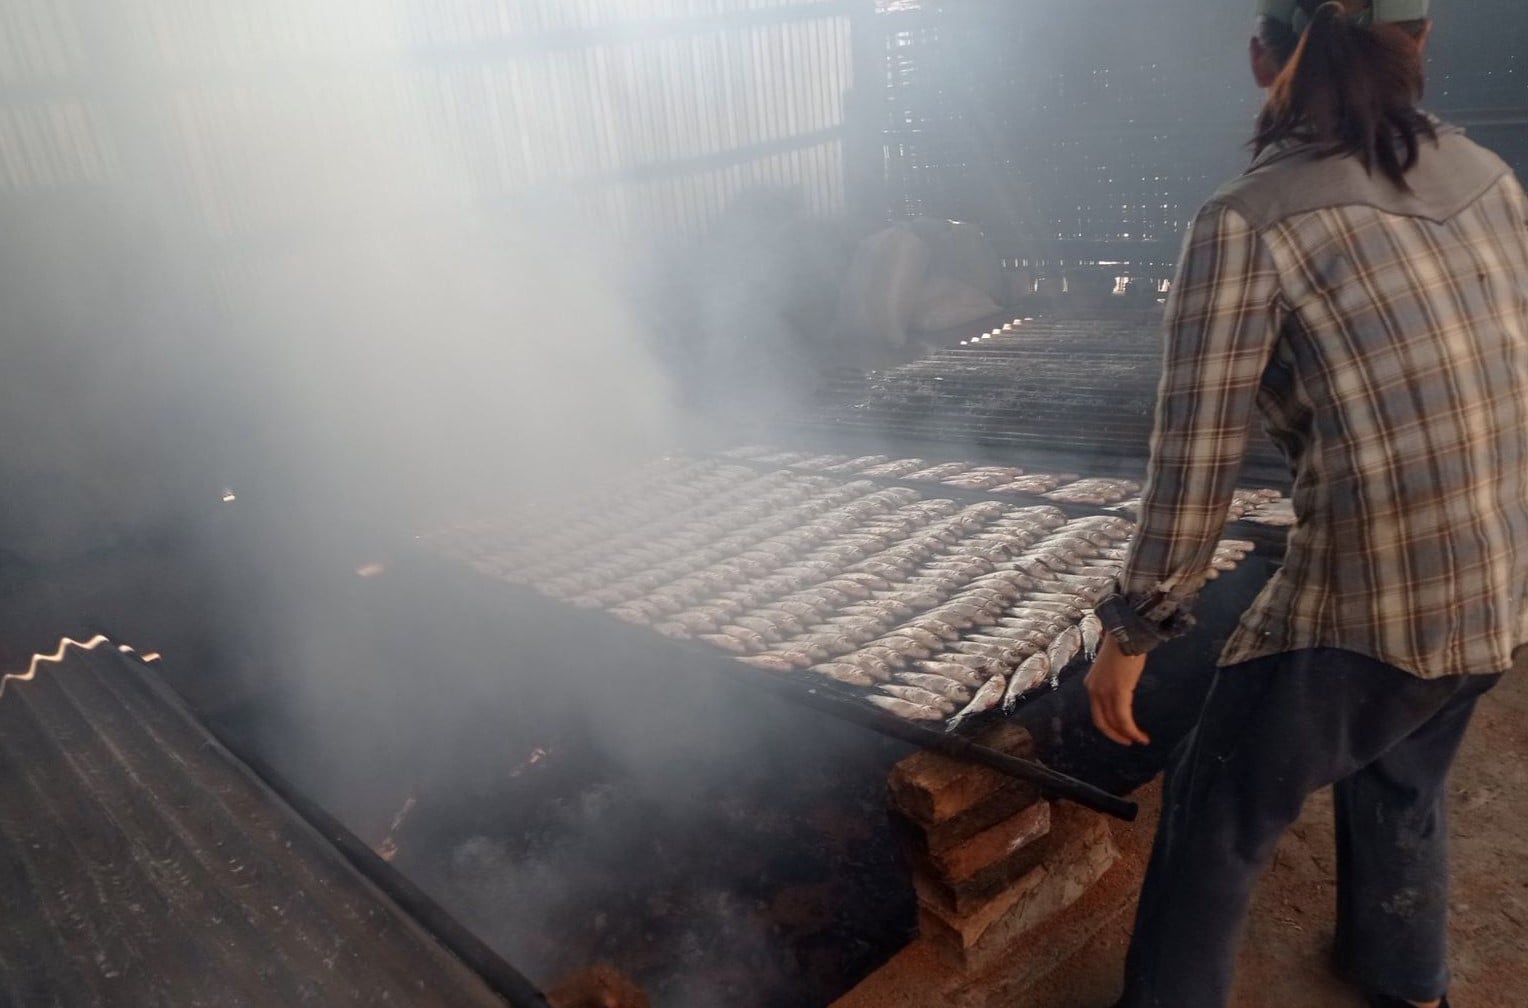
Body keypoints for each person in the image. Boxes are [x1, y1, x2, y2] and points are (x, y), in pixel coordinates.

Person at [1083, 1, 1528, 1006]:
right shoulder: (1489, 179)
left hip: (1374, 607)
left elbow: (1193, 464)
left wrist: (1132, 630)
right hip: (1501, 583)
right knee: (1402, 762)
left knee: (1216, 804)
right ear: (1420, 45)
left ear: (1259, 61)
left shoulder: (1246, 223)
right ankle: (1405, 976)